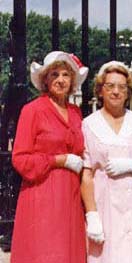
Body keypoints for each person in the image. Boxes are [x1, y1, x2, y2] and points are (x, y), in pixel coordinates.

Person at [81, 61, 132, 263]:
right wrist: (92, 216)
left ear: (128, 93)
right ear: (100, 91)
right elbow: (86, 174)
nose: (116, 92)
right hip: (105, 208)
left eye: (122, 87)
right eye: (110, 86)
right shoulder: (89, 125)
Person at [11, 51, 89, 263]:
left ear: (73, 80)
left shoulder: (75, 112)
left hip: (70, 198)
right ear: (45, 79)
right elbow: (20, 158)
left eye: (65, 75)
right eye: (54, 74)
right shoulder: (32, 110)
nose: (60, 80)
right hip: (42, 196)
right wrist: (58, 160)